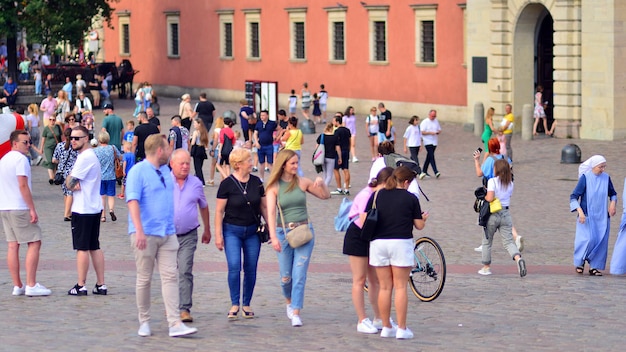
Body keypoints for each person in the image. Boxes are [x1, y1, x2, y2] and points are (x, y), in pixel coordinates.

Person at [126, 134, 198, 338]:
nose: (169, 151)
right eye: (167, 148)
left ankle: (174, 322)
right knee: (144, 279)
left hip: (167, 232)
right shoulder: (138, 171)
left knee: (170, 276)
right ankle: (144, 320)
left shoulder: (166, 171)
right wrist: (138, 229)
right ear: (159, 150)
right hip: (145, 233)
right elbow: (132, 201)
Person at [265, 149, 331, 327]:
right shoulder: (274, 186)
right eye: (292, 163)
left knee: (299, 273)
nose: (296, 166)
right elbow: (270, 212)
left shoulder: (303, 182)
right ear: (283, 164)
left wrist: (322, 183)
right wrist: (273, 236)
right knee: (286, 277)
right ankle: (289, 301)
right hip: (283, 233)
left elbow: (325, 196)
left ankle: (296, 311)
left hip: (304, 231)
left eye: (297, 163)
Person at [361, 166, 427, 339]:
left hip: (378, 243)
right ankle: (402, 328)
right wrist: (424, 219)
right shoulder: (410, 198)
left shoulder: (378, 195)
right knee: (400, 287)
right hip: (400, 242)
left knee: (384, 287)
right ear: (405, 182)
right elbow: (419, 225)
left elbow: (365, 216)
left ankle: (386, 326)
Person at [215, 148, 268, 320]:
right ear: (238, 165)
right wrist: (218, 235)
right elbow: (219, 211)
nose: (251, 163)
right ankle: (235, 303)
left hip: (253, 231)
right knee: (234, 266)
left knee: (251, 268)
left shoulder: (257, 182)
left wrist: (271, 228)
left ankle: (246, 303)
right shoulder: (227, 184)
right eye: (248, 160)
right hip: (232, 230)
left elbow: (264, 207)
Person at [0, 130, 52, 297]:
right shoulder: (21, 159)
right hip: (19, 206)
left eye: (29, 142)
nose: (28, 145)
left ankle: (18, 285)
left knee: (12, 245)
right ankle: (31, 284)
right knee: (34, 242)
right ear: (14, 143)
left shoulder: (4, 159)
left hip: (5, 206)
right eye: (25, 142)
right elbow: (23, 185)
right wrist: (31, 208)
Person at [343, 167, 393, 334]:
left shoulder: (379, 195)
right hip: (358, 235)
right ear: (385, 182)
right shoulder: (368, 195)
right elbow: (365, 222)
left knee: (375, 280)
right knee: (359, 279)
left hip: (372, 237)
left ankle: (378, 317)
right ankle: (361, 320)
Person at [65, 126, 107, 296]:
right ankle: (101, 284)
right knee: (93, 246)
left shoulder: (85, 158)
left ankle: (81, 285)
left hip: (83, 209)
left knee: (82, 248)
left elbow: (69, 183)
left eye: (76, 138)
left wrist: (70, 180)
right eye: (71, 138)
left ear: (86, 138)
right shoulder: (90, 156)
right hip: (93, 207)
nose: (73, 140)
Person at [171, 149, 211, 323]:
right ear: (172, 164)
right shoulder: (164, 181)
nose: (186, 166)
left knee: (185, 270)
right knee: (170, 273)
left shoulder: (195, 183)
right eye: (182, 163)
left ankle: (184, 308)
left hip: (189, 234)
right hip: (167, 235)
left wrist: (207, 229)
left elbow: (203, 206)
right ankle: (171, 307)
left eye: (188, 163)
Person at [472, 138, 523, 252]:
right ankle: (516, 236)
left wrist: (477, 160)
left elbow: (480, 173)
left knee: (486, 216)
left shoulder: (491, 160)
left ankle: (485, 244)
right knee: (503, 214)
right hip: (505, 188)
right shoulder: (506, 158)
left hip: (492, 190)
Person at [478, 159, 527, 277]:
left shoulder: (492, 181)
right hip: (505, 214)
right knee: (509, 241)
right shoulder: (510, 183)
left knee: (487, 242)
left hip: (492, 214)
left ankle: (486, 267)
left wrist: (483, 194)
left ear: (497, 169)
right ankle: (518, 258)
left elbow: (489, 198)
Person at [570, 155, 617, 276]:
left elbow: (613, 194)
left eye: (604, 167)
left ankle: (594, 267)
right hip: (586, 216)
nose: (603, 169)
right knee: (586, 240)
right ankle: (580, 262)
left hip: (602, 217)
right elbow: (574, 196)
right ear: (593, 166)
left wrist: (612, 204)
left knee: (600, 241)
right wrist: (580, 212)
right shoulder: (585, 178)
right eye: (600, 167)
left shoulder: (606, 178)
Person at [93, 131, 122, 222]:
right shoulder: (112, 148)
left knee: (102, 196)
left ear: (99, 139)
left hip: (100, 177)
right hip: (111, 176)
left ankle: (103, 216)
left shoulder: (96, 150)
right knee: (111, 195)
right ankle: (111, 210)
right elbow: (120, 157)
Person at [52, 128, 79, 221]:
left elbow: (54, 160)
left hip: (61, 172)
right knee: (70, 193)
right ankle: (67, 214)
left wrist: (61, 162)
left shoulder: (59, 145)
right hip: (71, 172)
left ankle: (68, 212)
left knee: (65, 193)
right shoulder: (74, 147)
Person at [36, 115, 62, 184]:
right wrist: (41, 148)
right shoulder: (46, 128)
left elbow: (61, 137)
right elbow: (43, 139)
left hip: (57, 147)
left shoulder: (58, 127)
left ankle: (54, 177)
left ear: (55, 120)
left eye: (53, 120)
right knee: (50, 161)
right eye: (50, 119)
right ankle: (51, 178)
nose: (52, 121)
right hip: (48, 147)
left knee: (55, 162)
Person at [253, 110, 277, 181]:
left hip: (269, 145)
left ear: (267, 115)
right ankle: (261, 177)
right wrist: (256, 142)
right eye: (261, 115)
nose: (262, 117)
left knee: (270, 163)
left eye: (263, 115)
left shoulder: (272, 123)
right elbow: (255, 133)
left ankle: (272, 178)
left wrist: (276, 136)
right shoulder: (258, 123)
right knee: (261, 163)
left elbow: (279, 129)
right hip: (261, 146)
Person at [331, 114, 352, 196]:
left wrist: (339, 156)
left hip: (340, 151)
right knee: (346, 169)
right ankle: (346, 189)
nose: (333, 122)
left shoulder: (337, 131)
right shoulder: (347, 130)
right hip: (346, 150)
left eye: (334, 121)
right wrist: (348, 150)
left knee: (336, 169)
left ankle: (339, 188)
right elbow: (350, 141)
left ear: (337, 122)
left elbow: (337, 144)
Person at [419, 109, 442, 179]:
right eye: (432, 116)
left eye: (434, 116)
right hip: (427, 141)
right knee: (431, 156)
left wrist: (438, 132)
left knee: (429, 156)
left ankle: (424, 171)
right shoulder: (425, 122)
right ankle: (436, 171)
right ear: (429, 115)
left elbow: (439, 129)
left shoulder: (436, 121)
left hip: (434, 141)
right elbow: (422, 132)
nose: (433, 117)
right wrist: (430, 133)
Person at [316, 122, 340, 186]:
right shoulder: (335, 137)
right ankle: (324, 188)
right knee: (329, 175)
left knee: (325, 174)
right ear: (332, 128)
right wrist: (340, 157)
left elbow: (316, 147)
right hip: (331, 157)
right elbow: (338, 148)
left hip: (322, 157)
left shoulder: (322, 136)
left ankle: (322, 187)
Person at [189, 118, 209, 185]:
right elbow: (206, 142)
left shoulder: (196, 132)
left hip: (197, 149)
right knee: (200, 166)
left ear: (199, 124)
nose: (194, 125)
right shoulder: (204, 132)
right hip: (202, 149)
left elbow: (193, 142)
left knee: (197, 167)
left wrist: (190, 139)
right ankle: (196, 179)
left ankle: (201, 181)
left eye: (195, 123)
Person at [208, 117, 225, 186]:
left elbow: (215, 140)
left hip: (217, 148)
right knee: (222, 165)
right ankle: (222, 179)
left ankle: (211, 179)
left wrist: (212, 149)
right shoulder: (224, 129)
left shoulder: (217, 130)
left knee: (213, 164)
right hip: (222, 148)